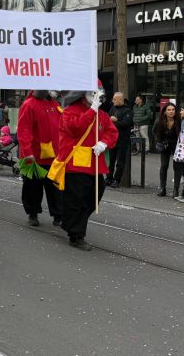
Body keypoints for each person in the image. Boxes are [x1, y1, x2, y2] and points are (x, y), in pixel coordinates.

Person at [49, 86, 118, 250]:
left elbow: (112, 132)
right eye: (92, 93)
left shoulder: (102, 115)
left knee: (94, 198)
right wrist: (92, 110)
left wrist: (104, 143)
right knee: (76, 201)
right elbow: (75, 128)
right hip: (75, 165)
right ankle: (76, 235)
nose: (95, 97)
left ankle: (72, 222)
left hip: (94, 165)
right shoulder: (70, 111)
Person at [17, 90, 63, 227]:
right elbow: (23, 129)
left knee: (56, 187)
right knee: (31, 187)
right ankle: (32, 213)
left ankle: (58, 215)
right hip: (33, 155)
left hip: (53, 155)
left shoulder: (55, 104)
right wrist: (27, 151)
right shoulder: (29, 104)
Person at [152, 103, 180, 197]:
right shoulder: (159, 121)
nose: (171, 111)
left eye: (173, 109)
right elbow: (154, 131)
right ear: (164, 112)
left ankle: (176, 190)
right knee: (164, 166)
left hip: (177, 145)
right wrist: (159, 141)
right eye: (169, 110)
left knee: (177, 167)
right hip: (165, 145)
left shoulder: (179, 121)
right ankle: (162, 188)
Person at [107, 92, 133, 188]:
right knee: (110, 161)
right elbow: (107, 121)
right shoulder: (113, 109)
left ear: (120, 100)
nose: (113, 101)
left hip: (122, 140)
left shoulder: (128, 111)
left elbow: (125, 124)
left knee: (120, 162)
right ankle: (108, 178)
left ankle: (116, 180)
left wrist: (115, 121)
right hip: (112, 139)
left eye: (114, 99)